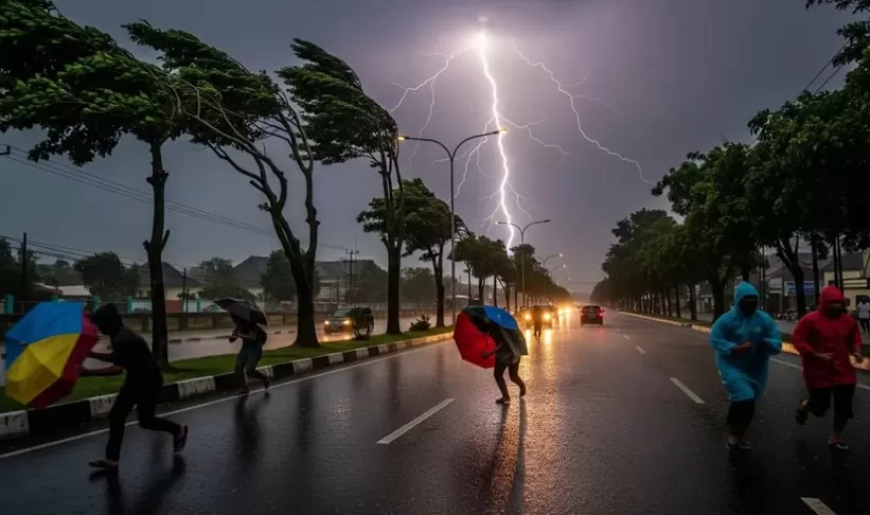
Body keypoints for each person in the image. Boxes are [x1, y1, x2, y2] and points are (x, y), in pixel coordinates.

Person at [82, 303, 188, 470]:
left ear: (109, 322)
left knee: (143, 420)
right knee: (121, 416)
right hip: (136, 379)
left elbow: (117, 368)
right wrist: (90, 353)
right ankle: (112, 459)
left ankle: (177, 429)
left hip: (148, 382)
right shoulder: (119, 334)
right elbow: (116, 358)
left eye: (101, 324)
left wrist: (87, 373)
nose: (99, 328)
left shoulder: (123, 338)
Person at [709, 282, 782, 452]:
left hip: (756, 368)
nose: (750, 303)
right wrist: (735, 348)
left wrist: (765, 343)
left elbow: (776, 340)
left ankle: (738, 432)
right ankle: (733, 436)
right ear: (738, 300)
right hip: (731, 365)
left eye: (753, 299)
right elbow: (715, 339)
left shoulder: (763, 319)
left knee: (749, 403)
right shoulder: (726, 320)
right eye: (746, 299)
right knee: (744, 397)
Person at [792, 285, 865, 451]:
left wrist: (857, 351)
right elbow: (798, 339)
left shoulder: (848, 321)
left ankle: (835, 438)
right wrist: (814, 353)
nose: (837, 306)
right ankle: (806, 404)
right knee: (819, 408)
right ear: (824, 303)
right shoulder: (810, 320)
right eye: (832, 303)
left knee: (844, 407)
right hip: (818, 371)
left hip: (843, 372)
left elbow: (855, 338)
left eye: (839, 303)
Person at [480, 318, 528, 404]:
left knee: (498, 374)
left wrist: (490, 353)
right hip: (515, 352)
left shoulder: (496, 327)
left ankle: (506, 396)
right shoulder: (500, 325)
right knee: (513, 376)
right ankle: (522, 386)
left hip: (505, 354)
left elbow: (503, 343)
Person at [230, 314, 270, 394]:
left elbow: (252, 337)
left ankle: (264, 378)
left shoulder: (251, 323)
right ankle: (244, 388)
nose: (232, 318)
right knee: (238, 368)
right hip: (245, 348)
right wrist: (233, 338)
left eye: (233, 317)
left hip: (255, 349)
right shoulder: (239, 324)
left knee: (249, 370)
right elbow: (235, 335)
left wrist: (239, 335)